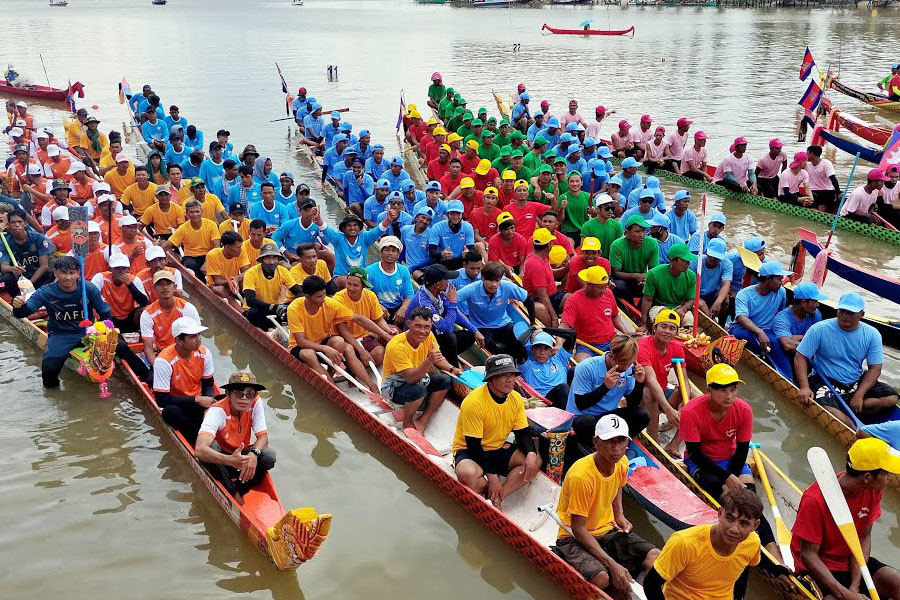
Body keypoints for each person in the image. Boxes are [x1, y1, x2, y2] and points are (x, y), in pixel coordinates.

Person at [555, 413, 660, 598]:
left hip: (607, 530)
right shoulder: (582, 476)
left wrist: (618, 513)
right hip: (573, 536)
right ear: (596, 443)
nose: (617, 448)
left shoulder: (622, 463)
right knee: (602, 578)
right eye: (610, 441)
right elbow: (578, 529)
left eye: (621, 441)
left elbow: (617, 487)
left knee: (656, 557)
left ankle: (636, 590)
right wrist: (612, 565)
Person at [11, 256, 149, 388]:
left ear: (78, 274)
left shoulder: (88, 288)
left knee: (123, 348)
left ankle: (148, 377)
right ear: (55, 273)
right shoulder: (46, 292)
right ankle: (55, 397)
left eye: (72, 273)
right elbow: (23, 313)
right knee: (48, 371)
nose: (68, 277)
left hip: (88, 333)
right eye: (63, 273)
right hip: (61, 335)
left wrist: (106, 333)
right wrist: (17, 306)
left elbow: (105, 313)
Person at [790, 437, 900, 600]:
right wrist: (845, 594)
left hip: (850, 562)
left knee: (896, 582)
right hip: (818, 567)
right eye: (886, 472)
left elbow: (864, 537)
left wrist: (855, 585)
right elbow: (808, 555)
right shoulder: (814, 500)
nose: (890, 477)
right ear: (868, 477)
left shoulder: (874, 490)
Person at [795, 293, 898, 429]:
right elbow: (800, 357)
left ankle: (848, 406)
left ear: (861, 314)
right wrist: (804, 387)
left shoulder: (872, 334)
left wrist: (859, 395)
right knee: (830, 412)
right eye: (842, 311)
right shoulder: (818, 329)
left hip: (854, 382)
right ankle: (856, 431)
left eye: (850, 313)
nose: (845, 315)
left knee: (891, 398)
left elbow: (875, 369)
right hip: (825, 381)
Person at [452, 353, 541, 508]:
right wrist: (492, 477)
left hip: (498, 447)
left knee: (534, 461)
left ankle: (498, 497)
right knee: (469, 474)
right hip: (470, 450)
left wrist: (531, 453)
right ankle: (488, 489)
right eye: (504, 376)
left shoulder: (516, 398)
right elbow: (474, 446)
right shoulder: (474, 402)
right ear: (491, 378)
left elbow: (522, 434)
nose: (510, 380)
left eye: (512, 375)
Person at [644, 487, 763, 600]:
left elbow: (745, 565)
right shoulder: (684, 543)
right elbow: (651, 584)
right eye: (729, 518)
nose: (734, 529)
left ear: (755, 525)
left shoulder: (752, 543)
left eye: (744, 523)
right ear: (720, 513)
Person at [287, 275, 379, 393]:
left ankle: (371, 385)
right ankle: (334, 390)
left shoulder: (329, 303)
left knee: (344, 345)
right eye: (319, 297)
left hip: (322, 341)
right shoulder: (294, 308)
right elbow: (301, 341)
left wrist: (386, 335)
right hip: (301, 347)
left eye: (324, 295)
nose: (323, 299)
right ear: (307, 296)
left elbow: (358, 318)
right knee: (309, 354)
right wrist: (325, 348)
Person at [568, 335, 650, 460]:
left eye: (629, 364)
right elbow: (580, 404)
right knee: (586, 422)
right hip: (582, 416)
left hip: (607, 416)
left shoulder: (628, 371)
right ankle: (594, 446)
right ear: (611, 357)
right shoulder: (587, 367)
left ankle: (619, 443)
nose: (626, 368)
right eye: (622, 363)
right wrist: (605, 387)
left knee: (642, 415)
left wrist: (639, 384)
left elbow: (632, 404)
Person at [382, 306, 459, 432]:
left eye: (427, 327)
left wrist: (452, 369)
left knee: (445, 380)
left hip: (418, 377)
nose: (422, 331)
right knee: (418, 390)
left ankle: (423, 420)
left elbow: (438, 357)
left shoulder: (428, 337)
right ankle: (407, 423)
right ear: (409, 324)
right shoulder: (397, 345)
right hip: (394, 385)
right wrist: (429, 361)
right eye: (418, 326)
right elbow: (410, 378)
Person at [457, 261, 535, 363]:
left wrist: (533, 324)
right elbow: (451, 302)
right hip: (482, 327)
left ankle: (522, 364)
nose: (493, 284)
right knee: (490, 345)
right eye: (489, 280)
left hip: (504, 324)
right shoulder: (471, 289)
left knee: (520, 341)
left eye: (497, 280)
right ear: (482, 278)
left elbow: (528, 299)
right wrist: (467, 324)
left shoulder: (507, 286)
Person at [637, 309, 693, 452]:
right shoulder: (643, 347)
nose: (667, 331)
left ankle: (673, 445)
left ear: (676, 333)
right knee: (649, 393)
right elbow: (651, 381)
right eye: (663, 326)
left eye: (672, 328)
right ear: (654, 328)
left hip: (662, 391)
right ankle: (654, 442)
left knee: (695, 399)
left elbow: (684, 380)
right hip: (638, 394)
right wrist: (669, 410)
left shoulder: (677, 348)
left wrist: (685, 405)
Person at [153, 316, 216, 444]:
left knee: (228, 400)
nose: (198, 339)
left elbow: (208, 383)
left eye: (198, 334)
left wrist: (210, 404)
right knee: (170, 412)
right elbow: (161, 399)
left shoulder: (204, 353)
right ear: (179, 341)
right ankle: (198, 439)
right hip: (178, 405)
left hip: (199, 403)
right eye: (193, 336)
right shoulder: (164, 361)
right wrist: (196, 399)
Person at [407, 264, 480, 368]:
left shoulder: (439, 293)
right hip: (420, 341)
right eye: (446, 279)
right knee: (450, 338)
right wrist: (453, 302)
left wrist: (474, 330)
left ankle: (448, 357)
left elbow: (455, 313)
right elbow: (447, 328)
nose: (449, 282)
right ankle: (453, 368)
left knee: (469, 335)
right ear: (437, 284)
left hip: (433, 336)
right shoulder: (423, 302)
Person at [729, 260, 789, 375]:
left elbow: (780, 312)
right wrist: (759, 332)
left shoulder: (781, 292)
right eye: (779, 279)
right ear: (767, 280)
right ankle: (760, 353)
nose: (781, 282)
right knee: (742, 335)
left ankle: (788, 377)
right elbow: (741, 317)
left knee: (776, 344)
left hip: (766, 330)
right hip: (744, 329)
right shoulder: (744, 294)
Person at [333, 266, 397, 368]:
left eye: (355, 285)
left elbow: (379, 319)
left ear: (363, 286)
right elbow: (343, 331)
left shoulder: (370, 295)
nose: (351, 288)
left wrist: (388, 331)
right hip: (345, 339)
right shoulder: (338, 299)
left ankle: (359, 368)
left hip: (365, 336)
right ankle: (354, 368)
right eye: (348, 284)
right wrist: (361, 351)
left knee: (380, 353)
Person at [561, 266, 627, 360]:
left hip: (611, 342)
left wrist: (626, 332)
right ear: (589, 284)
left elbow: (614, 316)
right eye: (600, 288)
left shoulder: (608, 293)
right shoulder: (573, 300)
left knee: (629, 355)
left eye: (605, 286)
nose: (604, 290)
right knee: (582, 364)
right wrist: (558, 344)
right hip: (586, 346)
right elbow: (564, 326)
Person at [140, 270, 200, 366]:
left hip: (185, 352)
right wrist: (157, 368)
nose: (165, 288)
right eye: (160, 285)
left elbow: (197, 340)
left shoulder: (187, 308)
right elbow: (148, 347)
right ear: (154, 289)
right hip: (162, 354)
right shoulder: (147, 314)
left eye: (168, 284)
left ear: (175, 287)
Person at [771, 282, 826, 382]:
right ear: (804, 302)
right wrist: (806, 341)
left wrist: (797, 338)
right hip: (785, 355)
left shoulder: (816, 314)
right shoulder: (782, 319)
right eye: (815, 301)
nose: (817, 305)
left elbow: (818, 340)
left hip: (803, 354)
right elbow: (787, 345)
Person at [242, 243, 302, 330]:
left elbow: (298, 291)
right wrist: (274, 307)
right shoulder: (251, 273)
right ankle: (269, 330)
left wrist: (295, 306)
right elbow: (250, 300)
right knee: (253, 313)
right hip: (258, 309)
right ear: (261, 260)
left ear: (278, 259)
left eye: (274, 258)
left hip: (276, 308)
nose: (272, 262)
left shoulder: (283, 271)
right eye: (268, 258)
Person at [317, 212, 389, 284]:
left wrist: (388, 220)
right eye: (349, 225)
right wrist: (318, 219)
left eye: (355, 225)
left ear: (359, 228)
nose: (352, 228)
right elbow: (326, 230)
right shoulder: (338, 238)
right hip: (341, 279)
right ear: (344, 228)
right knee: (346, 281)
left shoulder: (365, 237)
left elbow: (377, 231)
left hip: (360, 278)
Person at [162, 199, 221, 279]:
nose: (195, 214)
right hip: (191, 257)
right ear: (187, 214)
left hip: (209, 255)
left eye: (197, 211)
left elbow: (217, 247)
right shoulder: (183, 228)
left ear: (201, 212)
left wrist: (207, 262)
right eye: (192, 212)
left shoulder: (211, 225)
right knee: (191, 266)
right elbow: (167, 245)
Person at [90, 252, 148, 333]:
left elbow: (144, 302)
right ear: (110, 269)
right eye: (117, 268)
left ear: (128, 269)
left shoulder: (134, 280)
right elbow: (92, 297)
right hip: (108, 316)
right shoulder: (101, 277)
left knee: (144, 310)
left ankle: (142, 334)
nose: (121, 271)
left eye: (123, 268)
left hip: (128, 316)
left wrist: (130, 285)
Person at [0, 209, 52, 298]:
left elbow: (44, 266)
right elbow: (4, 267)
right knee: (8, 277)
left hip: (37, 276)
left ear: (25, 223)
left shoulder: (38, 238)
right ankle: (17, 300)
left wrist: (29, 284)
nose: (17, 225)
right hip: (20, 278)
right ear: (8, 225)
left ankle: (44, 297)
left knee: (51, 273)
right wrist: (12, 268)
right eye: (13, 222)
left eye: (20, 222)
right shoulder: (4, 243)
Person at [366, 236, 415, 326]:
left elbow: (409, 295)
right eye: (387, 250)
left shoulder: (403, 270)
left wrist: (403, 308)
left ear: (398, 255)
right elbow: (366, 294)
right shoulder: (370, 270)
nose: (390, 253)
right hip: (377, 308)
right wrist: (378, 306)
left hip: (398, 308)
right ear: (381, 253)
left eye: (393, 250)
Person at [609, 215, 659, 302]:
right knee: (619, 287)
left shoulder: (652, 243)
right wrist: (636, 276)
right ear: (627, 233)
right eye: (637, 231)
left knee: (656, 285)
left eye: (643, 231)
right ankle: (630, 309)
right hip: (623, 279)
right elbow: (615, 273)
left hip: (641, 279)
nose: (641, 235)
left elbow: (654, 270)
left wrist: (645, 277)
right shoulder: (617, 245)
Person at [522, 228, 564, 327]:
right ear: (549, 245)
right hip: (539, 300)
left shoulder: (543, 256)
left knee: (571, 298)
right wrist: (554, 318)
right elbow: (542, 295)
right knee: (540, 309)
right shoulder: (536, 264)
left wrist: (565, 269)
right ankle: (554, 330)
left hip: (553, 295)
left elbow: (548, 274)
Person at [205, 230, 250, 310]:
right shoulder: (212, 255)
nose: (240, 249)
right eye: (237, 247)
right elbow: (217, 281)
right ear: (228, 247)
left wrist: (236, 279)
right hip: (217, 286)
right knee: (221, 289)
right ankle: (242, 312)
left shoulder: (241, 250)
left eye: (240, 246)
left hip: (234, 284)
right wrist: (230, 281)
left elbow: (246, 272)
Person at [429, 199, 475, 272]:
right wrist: (441, 254)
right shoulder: (437, 227)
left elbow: (471, 248)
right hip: (442, 261)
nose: (455, 216)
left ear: (462, 214)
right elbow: (431, 251)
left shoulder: (468, 227)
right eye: (452, 213)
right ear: (448, 214)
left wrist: (468, 252)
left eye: (458, 213)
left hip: (460, 261)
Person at [695, 237, 732, 321]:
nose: (713, 259)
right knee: (701, 304)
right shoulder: (696, 261)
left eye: (716, 257)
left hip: (713, 295)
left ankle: (721, 325)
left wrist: (718, 302)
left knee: (725, 300)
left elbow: (726, 284)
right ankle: (711, 322)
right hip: (696, 294)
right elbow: (688, 284)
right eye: (711, 256)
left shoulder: (727, 264)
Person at [580, 195, 622, 261]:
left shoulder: (617, 225)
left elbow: (620, 247)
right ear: (597, 209)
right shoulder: (587, 226)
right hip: (594, 261)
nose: (610, 211)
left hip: (612, 262)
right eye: (607, 208)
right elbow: (583, 250)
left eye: (612, 208)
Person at [806, 145, 842, 213]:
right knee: (811, 195)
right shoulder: (807, 165)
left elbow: (833, 179)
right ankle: (816, 209)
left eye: (807, 153)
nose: (806, 155)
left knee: (842, 197)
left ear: (812, 154)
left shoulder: (826, 163)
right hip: (813, 192)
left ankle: (835, 212)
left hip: (826, 191)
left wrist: (839, 192)